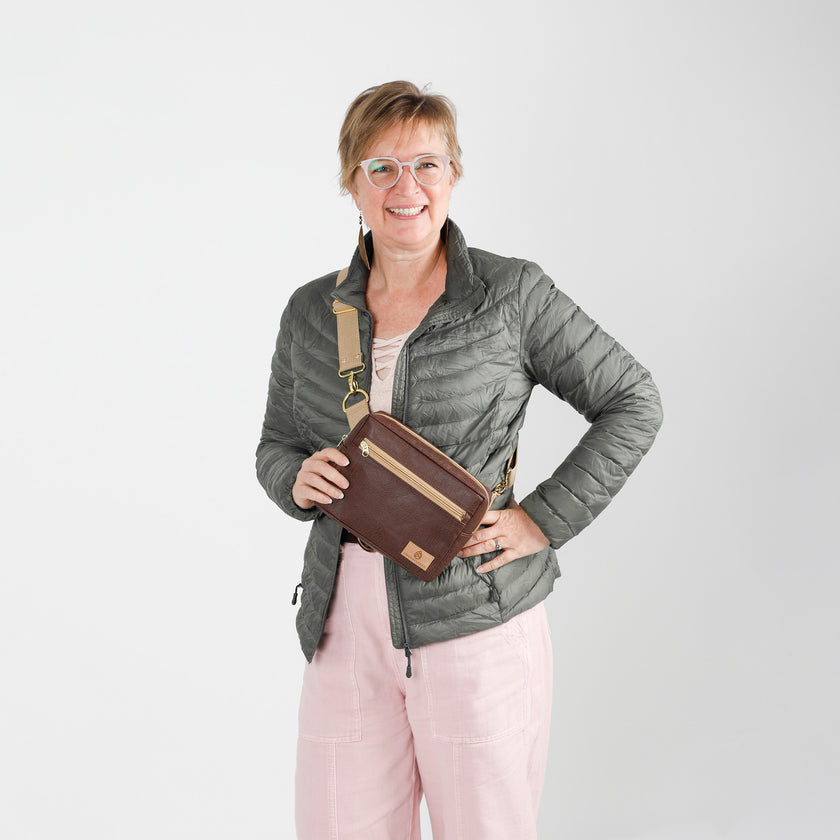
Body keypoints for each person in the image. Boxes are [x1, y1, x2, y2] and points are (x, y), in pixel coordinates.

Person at [256, 80, 662, 840]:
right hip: (342, 621)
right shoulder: (312, 310)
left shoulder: (512, 295)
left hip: (475, 614)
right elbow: (277, 442)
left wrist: (541, 521)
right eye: (381, 167)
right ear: (352, 180)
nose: (405, 186)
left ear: (453, 175)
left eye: (427, 164)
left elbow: (633, 402)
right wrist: (293, 478)